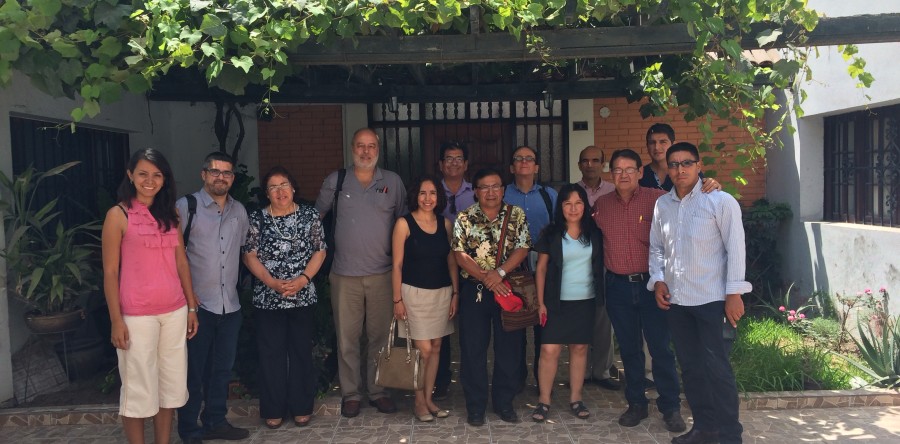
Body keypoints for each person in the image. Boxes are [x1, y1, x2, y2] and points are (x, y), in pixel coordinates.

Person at [649, 142, 751, 444]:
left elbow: (736, 248)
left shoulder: (720, 201)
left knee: (717, 369)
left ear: (698, 164)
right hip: (677, 302)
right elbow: (656, 247)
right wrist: (658, 280)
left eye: (686, 163)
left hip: (712, 300)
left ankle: (730, 435)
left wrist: (734, 293)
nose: (680, 170)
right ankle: (705, 428)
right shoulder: (662, 205)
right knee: (691, 369)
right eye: (674, 164)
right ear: (667, 169)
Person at [101, 148, 200, 444]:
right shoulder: (117, 215)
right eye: (143, 173)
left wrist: (192, 307)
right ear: (130, 175)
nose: (150, 180)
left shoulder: (172, 214)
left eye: (157, 175)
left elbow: (181, 261)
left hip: (174, 312)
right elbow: (109, 273)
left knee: (169, 389)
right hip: (136, 316)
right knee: (138, 390)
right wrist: (116, 321)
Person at [315, 128, 407, 418]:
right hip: (344, 275)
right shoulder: (336, 181)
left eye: (371, 146)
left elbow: (404, 225)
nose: (365, 152)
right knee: (347, 339)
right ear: (351, 148)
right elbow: (314, 219)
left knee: (379, 338)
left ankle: (378, 391)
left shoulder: (392, 182)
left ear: (378, 149)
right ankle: (351, 394)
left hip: (382, 275)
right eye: (360, 146)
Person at [592, 149, 685, 432]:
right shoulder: (601, 205)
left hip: (652, 286)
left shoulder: (658, 201)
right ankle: (636, 404)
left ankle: (670, 407)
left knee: (660, 348)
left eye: (629, 169)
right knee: (629, 350)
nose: (623, 175)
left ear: (640, 172)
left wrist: (711, 185)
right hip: (618, 287)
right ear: (611, 174)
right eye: (617, 170)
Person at [243, 166, 326, 429]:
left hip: (302, 297)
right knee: (271, 354)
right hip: (268, 298)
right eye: (273, 187)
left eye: (284, 185)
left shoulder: (310, 215)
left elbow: (320, 250)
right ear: (266, 193)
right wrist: (271, 282)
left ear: (293, 188)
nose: (280, 191)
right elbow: (249, 255)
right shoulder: (257, 219)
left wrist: (302, 280)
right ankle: (273, 408)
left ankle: (302, 406)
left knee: (301, 352)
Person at [176, 152, 250, 443]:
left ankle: (215, 421)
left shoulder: (239, 211)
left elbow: (244, 252)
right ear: (203, 174)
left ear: (233, 178)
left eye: (227, 173)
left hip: (229, 306)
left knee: (221, 369)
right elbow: (171, 256)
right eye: (215, 171)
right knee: (194, 371)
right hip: (197, 306)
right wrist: (187, 297)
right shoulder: (185, 207)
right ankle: (189, 428)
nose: (221, 177)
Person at [452, 168, 531, 426]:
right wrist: (487, 278)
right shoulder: (464, 218)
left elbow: (522, 247)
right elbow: (459, 254)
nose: (491, 192)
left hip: (509, 290)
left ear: (503, 189)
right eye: (484, 187)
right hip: (475, 292)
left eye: (496, 186)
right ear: (475, 191)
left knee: (509, 348)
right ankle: (475, 406)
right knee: (473, 349)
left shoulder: (516, 214)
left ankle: (504, 403)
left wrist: (499, 273)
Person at [531, 184, 604, 422]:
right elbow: (540, 269)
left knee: (580, 349)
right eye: (567, 203)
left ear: (586, 205)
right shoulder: (550, 234)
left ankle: (576, 397)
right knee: (549, 349)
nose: (573, 208)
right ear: (560, 207)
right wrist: (540, 302)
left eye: (578, 203)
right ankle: (543, 400)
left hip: (585, 301)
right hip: (555, 302)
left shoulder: (594, 233)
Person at [391, 175, 459, 422]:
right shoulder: (404, 224)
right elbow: (397, 265)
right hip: (413, 295)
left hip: (441, 294)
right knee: (424, 350)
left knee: (437, 347)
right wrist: (397, 299)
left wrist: (455, 293)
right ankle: (419, 401)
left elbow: (451, 260)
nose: (427, 198)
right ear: (415, 196)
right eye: (422, 193)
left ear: (438, 197)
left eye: (432, 193)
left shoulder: (446, 224)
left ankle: (428, 399)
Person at [503, 145, 556, 389]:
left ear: (536, 167)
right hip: (512, 268)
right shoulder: (501, 194)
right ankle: (516, 378)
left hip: (543, 266)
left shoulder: (549, 195)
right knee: (515, 324)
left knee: (542, 322)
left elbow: (560, 229)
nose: (524, 162)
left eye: (529, 159)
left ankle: (541, 378)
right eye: (518, 158)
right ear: (512, 167)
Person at [574, 145, 620, 391]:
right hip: (577, 263)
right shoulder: (571, 192)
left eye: (595, 160)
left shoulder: (614, 191)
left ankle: (601, 371)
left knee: (603, 318)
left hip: (606, 260)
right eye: (585, 160)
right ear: (579, 164)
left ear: (603, 164)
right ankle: (579, 372)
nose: (590, 164)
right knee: (580, 317)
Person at [434, 140, 475, 401]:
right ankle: (440, 379)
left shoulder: (476, 192)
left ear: (466, 164)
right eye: (449, 158)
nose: (454, 163)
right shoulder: (429, 191)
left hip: (472, 268)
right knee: (440, 326)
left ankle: (472, 377)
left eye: (459, 158)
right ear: (440, 164)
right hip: (437, 266)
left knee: (470, 326)